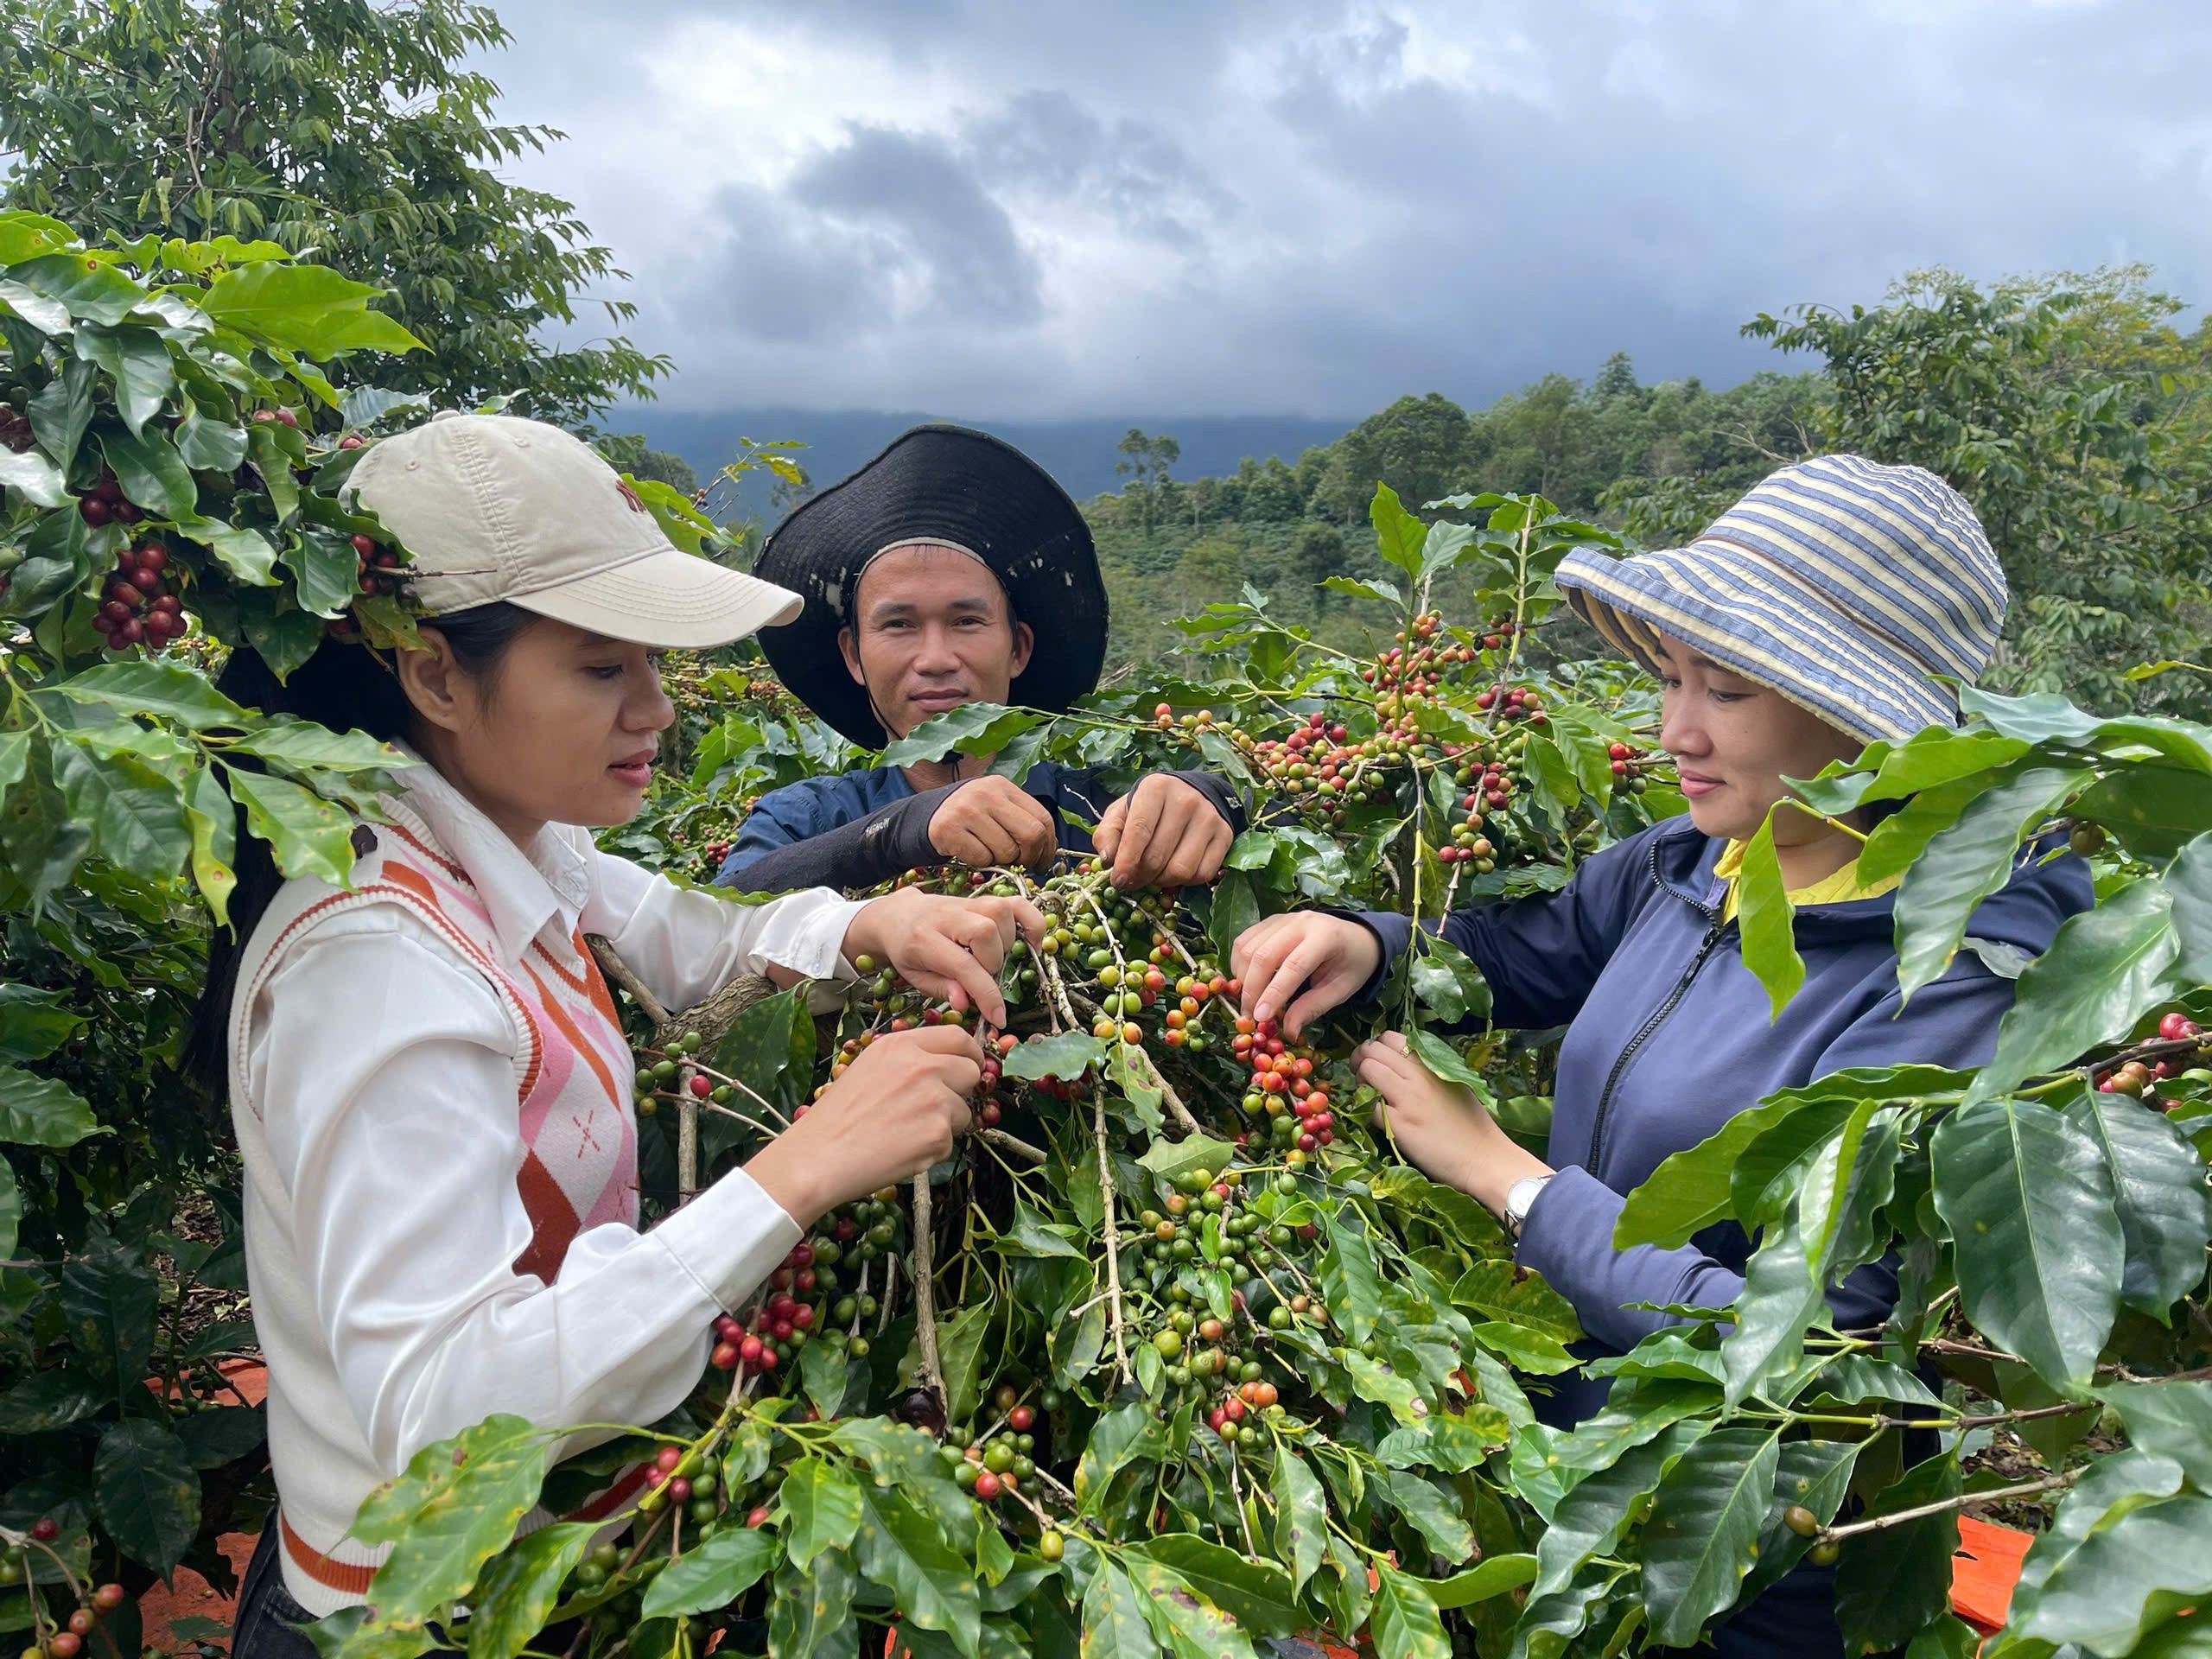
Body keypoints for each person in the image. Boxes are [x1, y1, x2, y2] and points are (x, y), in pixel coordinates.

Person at [184, 414, 1042, 1652]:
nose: (656, 707)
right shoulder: (378, 965)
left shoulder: (504, 840)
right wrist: (801, 1170)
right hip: (417, 1622)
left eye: (650, 662)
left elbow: (688, 933)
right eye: (601, 670)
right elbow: (442, 1423)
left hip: (547, 1571)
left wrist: (866, 927)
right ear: (433, 675)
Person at [1228, 455, 2092, 1658]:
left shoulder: (1957, 979)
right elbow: (1526, 952)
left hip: (1742, 1555)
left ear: (1863, 719)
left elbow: (1810, 1351)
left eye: (1724, 690)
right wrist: (1368, 944)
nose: (1672, 729)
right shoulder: (1694, 859)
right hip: (1572, 1469)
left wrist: (1509, 1182)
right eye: (1672, 676)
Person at [712, 424, 1242, 893]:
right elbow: (720, 919)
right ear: (853, 656)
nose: (935, 659)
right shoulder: (805, 819)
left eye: (966, 621)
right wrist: (899, 832)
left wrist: (1216, 798)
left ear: (1018, 649)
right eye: (898, 625)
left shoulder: (1101, 810)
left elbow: (1274, 830)